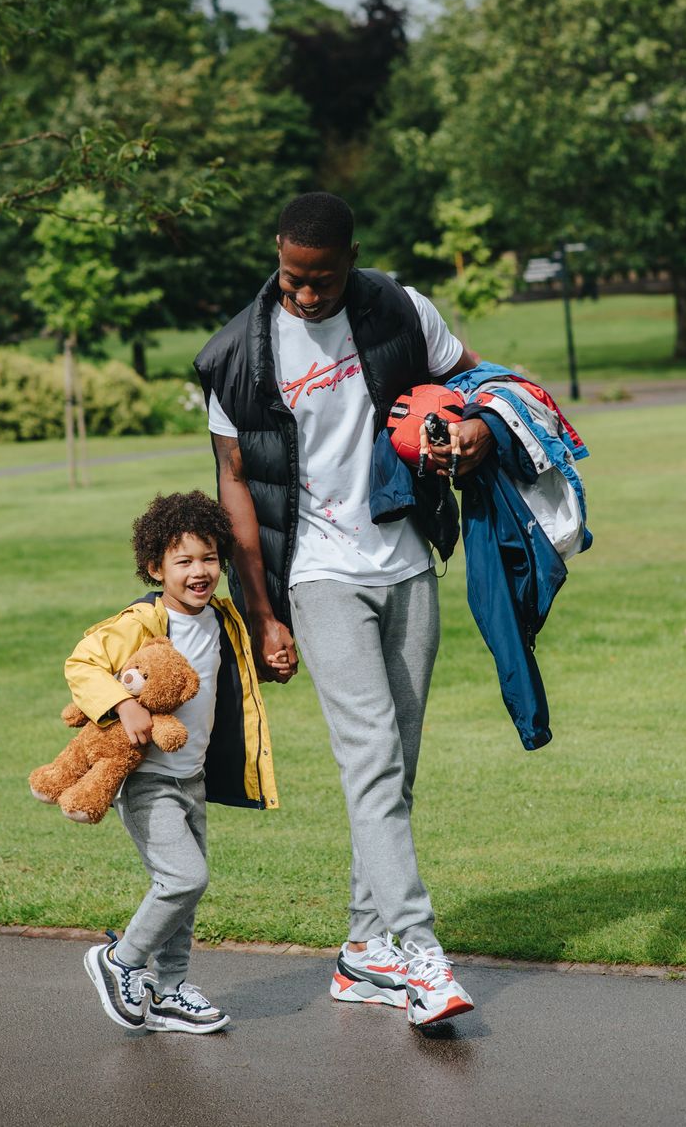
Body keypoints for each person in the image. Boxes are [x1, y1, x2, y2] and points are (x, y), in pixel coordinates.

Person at [195, 191, 492, 1028]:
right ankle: (421, 954)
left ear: (350, 259)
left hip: (407, 561)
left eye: (321, 279)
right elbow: (234, 482)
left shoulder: (401, 310)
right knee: (370, 760)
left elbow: (475, 376)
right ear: (277, 254)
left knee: (396, 766)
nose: (305, 293)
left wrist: (477, 423)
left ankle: (364, 950)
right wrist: (263, 611)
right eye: (292, 276)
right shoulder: (236, 356)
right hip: (318, 573)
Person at [67, 490, 277, 1036]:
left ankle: (170, 989)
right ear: (155, 567)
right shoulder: (141, 622)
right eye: (183, 561)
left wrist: (272, 657)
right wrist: (124, 704)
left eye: (209, 558)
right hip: (146, 779)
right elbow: (82, 664)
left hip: (192, 778)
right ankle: (121, 961)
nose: (199, 572)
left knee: (185, 889)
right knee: (185, 878)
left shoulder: (221, 619)